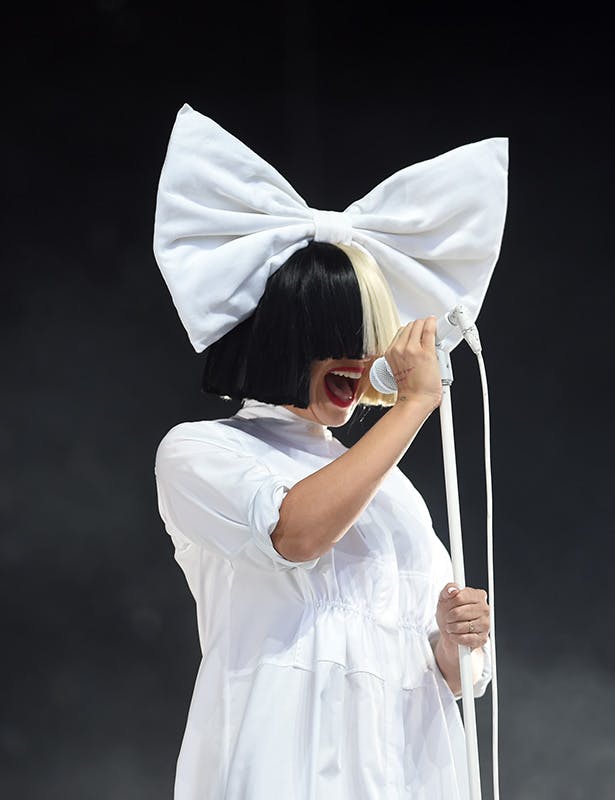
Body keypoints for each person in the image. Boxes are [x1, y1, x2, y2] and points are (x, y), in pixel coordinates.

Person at [151, 105, 507, 799]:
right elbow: (295, 533)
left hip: (405, 770)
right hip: (284, 764)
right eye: (339, 337)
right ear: (286, 339)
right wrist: (410, 406)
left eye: (371, 335)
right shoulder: (200, 451)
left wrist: (452, 638)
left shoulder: (395, 493)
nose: (365, 356)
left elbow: (459, 675)